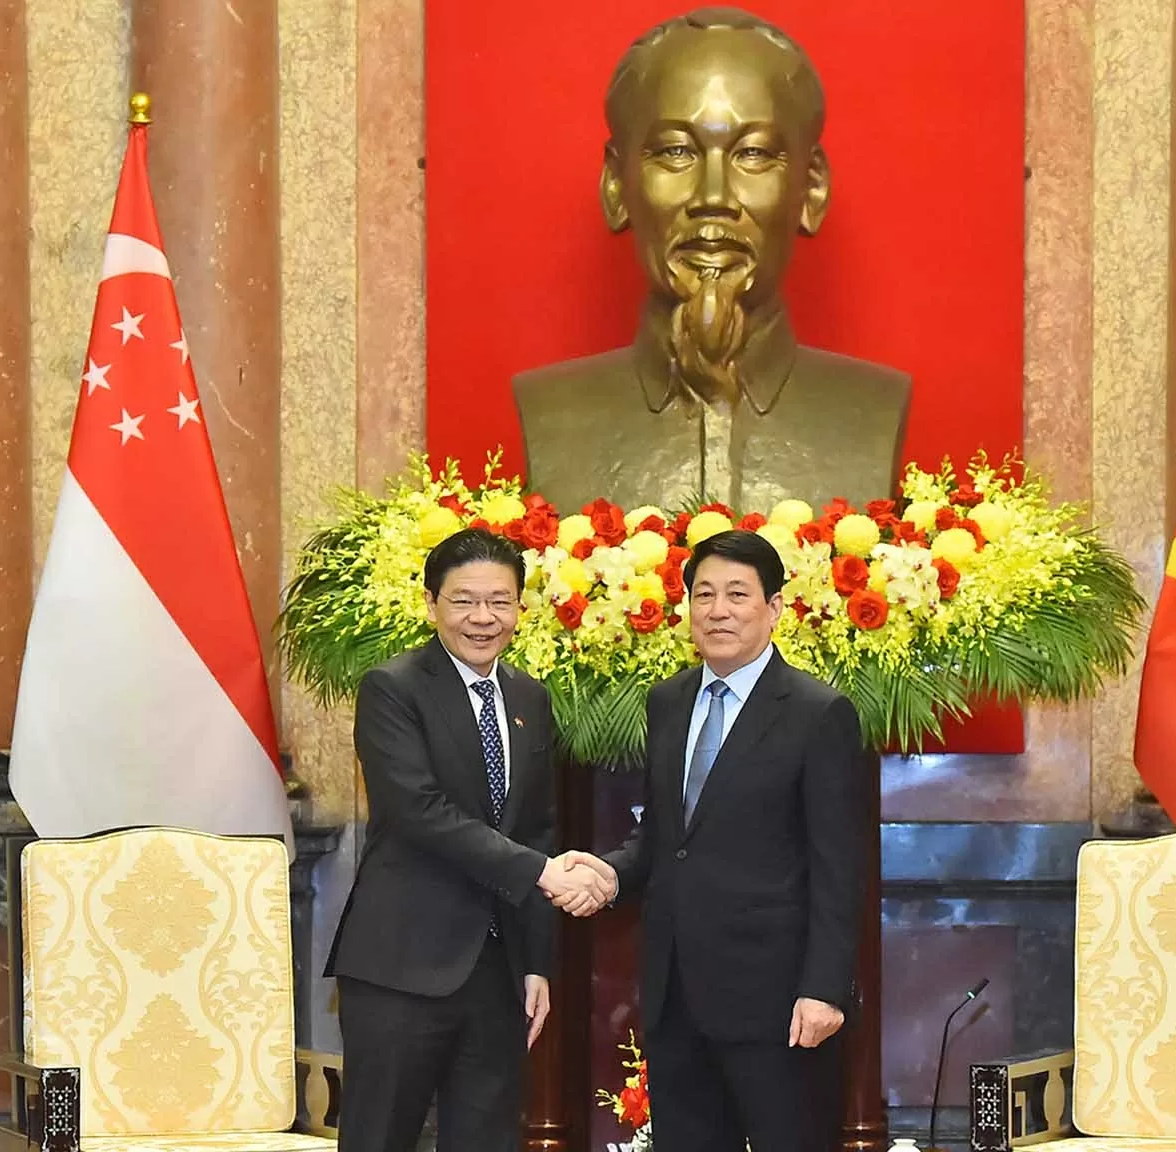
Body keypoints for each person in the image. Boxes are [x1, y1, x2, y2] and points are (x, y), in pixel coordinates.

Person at [513, 6, 910, 514]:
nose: (714, 196)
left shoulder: (873, 410)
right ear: (616, 185)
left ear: (811, 188)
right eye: (676, 152)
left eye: (754, 154)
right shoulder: (552, 412)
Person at [326, 528, 617, 1152]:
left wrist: (537, 962)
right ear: (431, 605)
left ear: (519, 608)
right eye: (463, 601)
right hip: (401, 966)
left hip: (497, 971)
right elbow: (418, 811)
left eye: (499, 601)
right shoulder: (393, 688)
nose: (482, 618)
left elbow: (537, 827)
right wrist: (543, 874)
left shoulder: (529, 699)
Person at [598, 528, 869, 1152]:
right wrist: (608, 873)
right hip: (677, 996)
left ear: (774, 608)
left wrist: (825, 987)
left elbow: (838, 864)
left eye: (738, 594)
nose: (718, 610)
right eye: (704, 594)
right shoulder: (667, 703)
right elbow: (669, 836)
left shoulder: (816, 712)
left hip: (779, 1003)